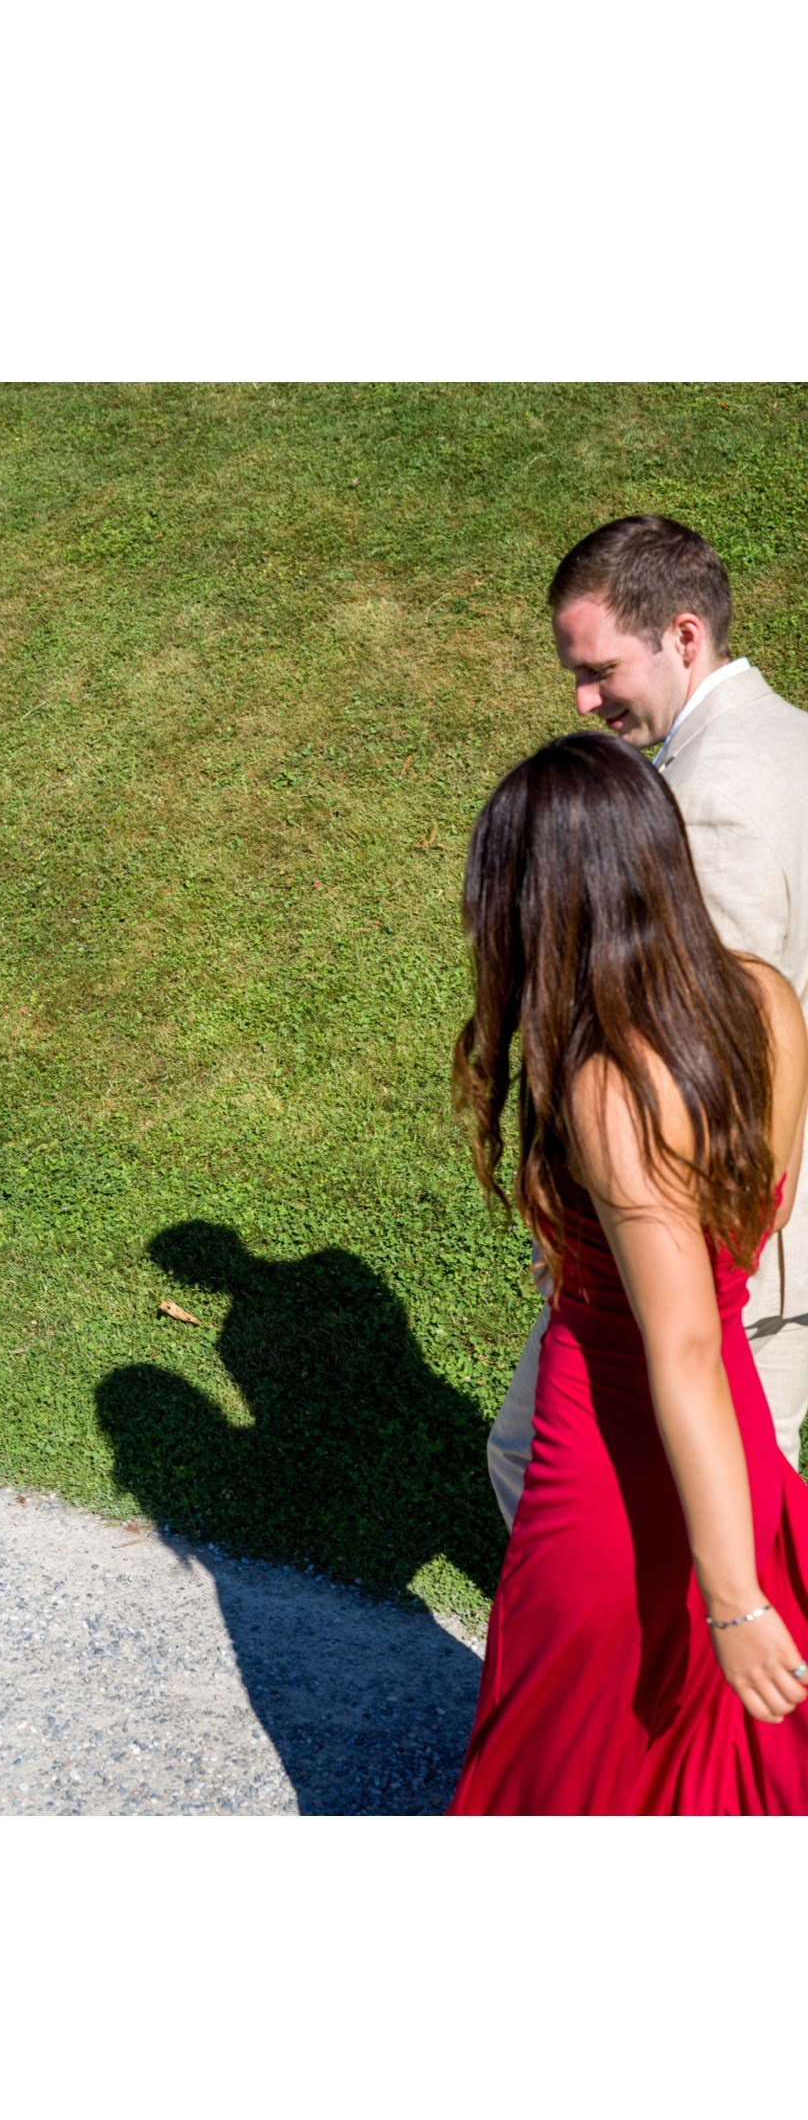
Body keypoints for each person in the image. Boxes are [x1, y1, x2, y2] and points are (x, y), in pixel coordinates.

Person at [449, 728, 808, 1815]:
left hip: (608, 1442)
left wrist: (735, 1597)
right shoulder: (764, 999)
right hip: (730, 1426)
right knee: (694, 1738)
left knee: (579, 1730)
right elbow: (747, 1238)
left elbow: (682, 1342)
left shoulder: (613, 1087)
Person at [488, 514, 808, 1517]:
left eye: (599, 670)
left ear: (680, 635)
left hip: (721, 1239)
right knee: (756, 1486)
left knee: (553, 1477)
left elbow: (704, 1039)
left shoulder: (705, 797)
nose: (584, 701)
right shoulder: (792, 737)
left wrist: (598, 1209)